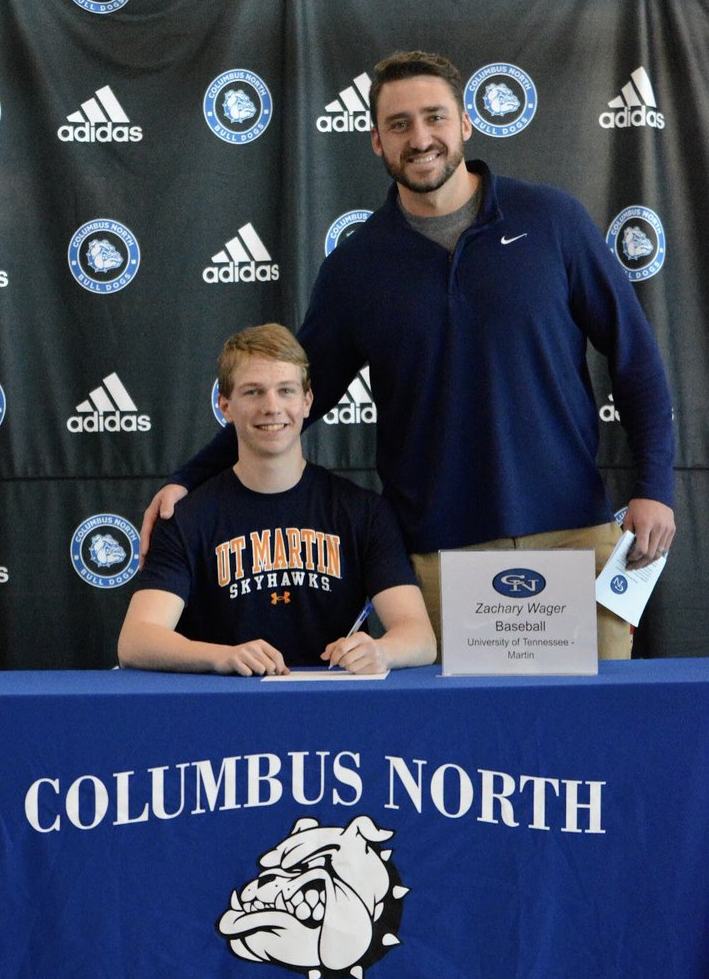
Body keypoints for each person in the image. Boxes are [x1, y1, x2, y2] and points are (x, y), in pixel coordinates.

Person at [139, 50, 676, 661]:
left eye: (434, 117)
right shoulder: (356, 268)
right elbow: (291, 400)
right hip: (440, 557)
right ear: (376, 140)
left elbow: (636, 359)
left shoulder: (552, 221)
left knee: (594, 720)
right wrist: (188, 480)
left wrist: (656, 486)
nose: (420, 138)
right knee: (459, 728)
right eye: (399, 124)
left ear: (465, 123)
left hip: (575, 537)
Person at [119, 323, 436, 676]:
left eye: (286, 390)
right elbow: (136, 640)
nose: (272, 407)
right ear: (225, 405)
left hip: (332, 699)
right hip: (229, 701)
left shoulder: (363, 511)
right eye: (253, 392)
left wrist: (382, 651)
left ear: (307, 401)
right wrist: (222, 657)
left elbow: (420, 637)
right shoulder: (187, 518)